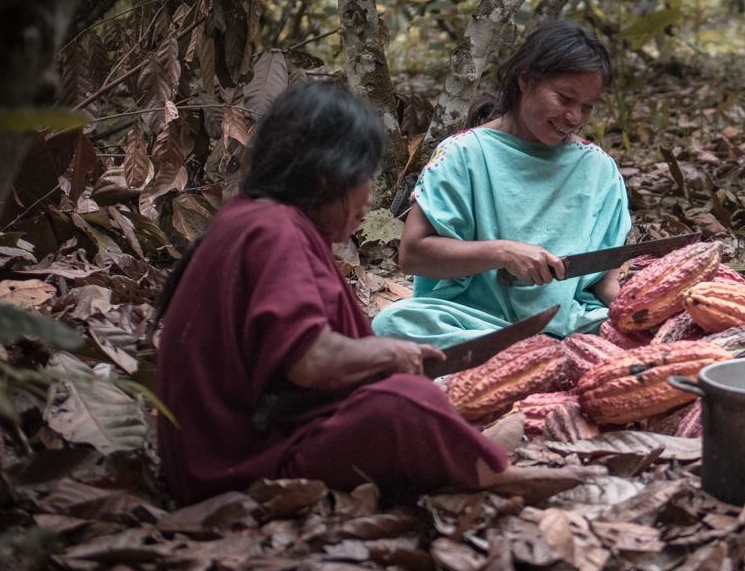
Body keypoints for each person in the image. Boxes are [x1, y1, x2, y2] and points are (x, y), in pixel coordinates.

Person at [155, 81, 509, 504]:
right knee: (405, 402)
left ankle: (466, 455)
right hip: (243, 468)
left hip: (229, 454)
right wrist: (392, 354)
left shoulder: (251, 218)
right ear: (328, 175)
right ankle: (495, 474)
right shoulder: (274, 230)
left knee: (406, 398)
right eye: (365, 178)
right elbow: (311, 362)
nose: (370, 198)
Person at [372, 21, 631, 348]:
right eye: (565, 99)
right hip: (476, 323)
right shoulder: (463, 154)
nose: (575, 117)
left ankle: (538, 358)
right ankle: (546, 359)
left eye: (587, 107)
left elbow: (605, 282)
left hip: (569, 325)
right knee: (392, 324)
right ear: (526, 80)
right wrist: (502, 253)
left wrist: (638, 314)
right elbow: (413, 255)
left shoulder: (598, 168)